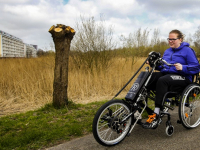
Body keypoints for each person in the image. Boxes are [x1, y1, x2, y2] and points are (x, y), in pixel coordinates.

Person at [142, 29, 200, 129]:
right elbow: (163, 67)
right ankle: (136, 106)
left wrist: (183, 67)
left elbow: (196, 67)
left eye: (173, 39)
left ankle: (156, 114)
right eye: (169, 39)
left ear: (180, 39)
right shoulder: (167, 51)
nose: (170, 41)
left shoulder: (188, 51)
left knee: (163, 80)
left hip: (183, 78)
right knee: (145, 77)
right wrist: (153, 64)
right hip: (167, 75)